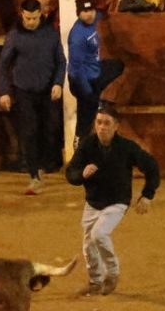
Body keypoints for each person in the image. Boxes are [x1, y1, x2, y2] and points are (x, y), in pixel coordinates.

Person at [64, 105, 159, 297]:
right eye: (99, 122)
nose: (102, 127)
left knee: (99, 234)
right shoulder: (87, 145)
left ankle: (112, 274)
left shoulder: (127, 148)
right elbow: (70, 173)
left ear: (116, 126)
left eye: (107, 123)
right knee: (88, 245)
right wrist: (81, 174)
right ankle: (95, 281)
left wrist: (148, 195)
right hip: (93, 202)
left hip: (117, 201)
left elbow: (152, 167)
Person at [0, 0, 66, 195]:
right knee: (28, 132)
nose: (30, 22)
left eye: (34, 18)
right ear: (22, 14)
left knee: (50, 128)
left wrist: (58, 83)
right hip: (24, 91)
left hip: (47, 91)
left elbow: (61, 61)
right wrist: (4, 91)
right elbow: (3, 65)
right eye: (27, 18)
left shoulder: (51, 34)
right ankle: (34, 174)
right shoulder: (14, 36)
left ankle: (44, 165)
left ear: (41, 15)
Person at [66, 0, 123, 141]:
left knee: (117, 66)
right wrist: (89, 93)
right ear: (78, 13)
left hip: (94, 71)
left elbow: (101, 11)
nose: (89, 14)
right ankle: (79, 142)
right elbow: (77, 70)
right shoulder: (77, 36)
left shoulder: (94, 18)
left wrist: (114, 1)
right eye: (85, 11)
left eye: (91, 10)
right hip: (80, 80)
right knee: (87, 111)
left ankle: (99, 100)